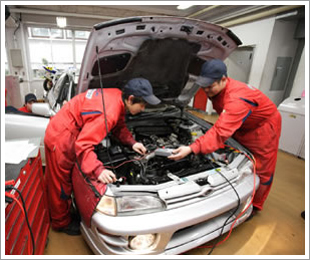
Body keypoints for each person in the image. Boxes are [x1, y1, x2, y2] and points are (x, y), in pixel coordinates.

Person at [44, 78, 161, 235]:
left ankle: (65, 212)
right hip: (61, 136)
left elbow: (119, 126)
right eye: (143, 104)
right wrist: (99, 170)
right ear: (131, 99)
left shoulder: (117, 97)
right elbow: (83, 145)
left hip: (70, 129)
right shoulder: (109, 112)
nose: (144, 108)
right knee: (60, 184)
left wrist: (132, 143)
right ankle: (61, 223)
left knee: (65, 181)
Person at [169, 59, 282, 217]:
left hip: (262, 128)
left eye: (210, 86)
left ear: (224, 79)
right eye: (204, 86)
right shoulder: (219, 89)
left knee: (262, 167)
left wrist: (192, 148)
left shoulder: (237, 98)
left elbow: (220, 132)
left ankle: (255, 205)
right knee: (234, 149)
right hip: (242, 123)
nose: (206, 90)